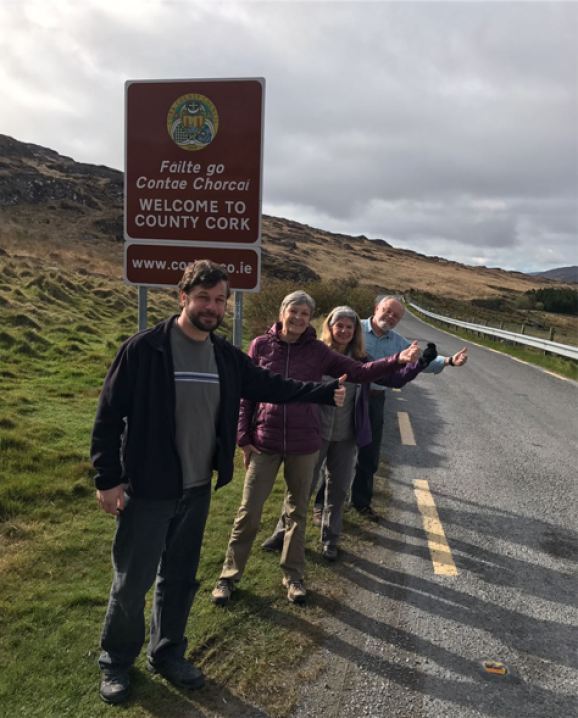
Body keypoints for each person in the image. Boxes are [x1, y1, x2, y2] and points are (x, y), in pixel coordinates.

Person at [91, 261, 347, 706]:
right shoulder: (145, 349)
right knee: (132, 582)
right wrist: (109, 479)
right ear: (183, 297)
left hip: (196, 489)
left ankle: (167, 653)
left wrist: (322, 392)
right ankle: (116, 662)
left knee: (179, 578)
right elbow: (109, 417)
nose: (212, 307)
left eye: (219, 300)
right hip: (148, 489)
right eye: (203, 298)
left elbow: (272, 384)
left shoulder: (225, 355)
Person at [210, 291, 422, 608]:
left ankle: (293, 577)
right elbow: (245, 394)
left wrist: (397, 360)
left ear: (311, 319)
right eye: (293, 311)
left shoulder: (319, 352)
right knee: (249, 512)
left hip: (305, 442)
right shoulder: (260, 345)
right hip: (265, 440)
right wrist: (243, 436)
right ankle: (227, 578)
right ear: (282, 312)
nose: (298, 318)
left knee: (298, 513)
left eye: (304, 314)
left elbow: (361, 371)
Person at [262, 306, 437, 562]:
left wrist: (420, 363)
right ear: (330, 327)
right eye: (339, 325)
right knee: (301, 488)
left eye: (349, 327)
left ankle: (330, 541)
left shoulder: (362, 360)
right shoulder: (316, 356)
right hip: (313, 434)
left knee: (338, 490)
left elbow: (394, 379)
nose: (344, 330)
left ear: (355, 332)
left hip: (346, 436)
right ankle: (282, 532)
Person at [349, 295, 468, 521]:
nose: (390, 317)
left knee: (369, 453)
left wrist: (450, 360)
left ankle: (360, 502)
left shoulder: (398, 342)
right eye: (387, 311)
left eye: (396, 316)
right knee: (336, 450)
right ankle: (322, 504)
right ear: (376, 309)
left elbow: (421, 360)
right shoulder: (354, 328)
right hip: (346, 394)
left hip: (374, 398)